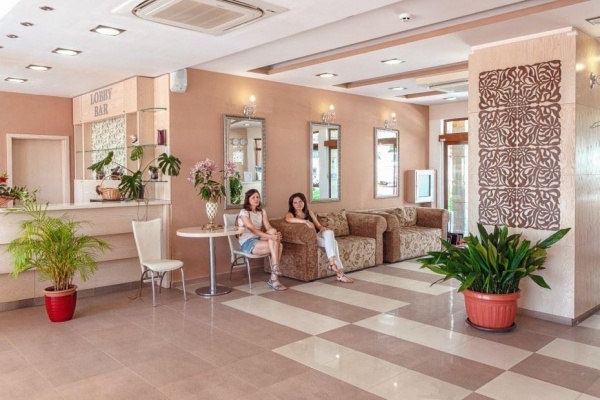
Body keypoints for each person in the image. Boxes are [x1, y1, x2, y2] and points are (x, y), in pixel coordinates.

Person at [285, 192, 353, 283]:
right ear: (292, 204)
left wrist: (321, 228)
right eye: (295, 202)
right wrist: (305, 222)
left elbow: (318, 225)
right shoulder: (290, 214)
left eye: (300, 201)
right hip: (311, 238)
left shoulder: (309, 212)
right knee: (334, 243)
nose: (298, 204)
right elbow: (289, 219)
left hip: (317, 234)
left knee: (329, 233)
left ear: (304, 202)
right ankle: (340, 274)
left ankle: (332, 263)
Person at [237, 189, 286, 291]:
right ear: (248, 199)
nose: (256, 199)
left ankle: (274, 271)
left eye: (257, 197)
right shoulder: (244, 212)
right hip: (247, 243)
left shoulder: (262, 211)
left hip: (259, 238)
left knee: (273, 231)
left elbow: (268, 227)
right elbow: (253, 230)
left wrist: (275, 234)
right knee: (279, 245)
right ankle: (274, 277)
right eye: (253, 197)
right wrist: (270, 237)